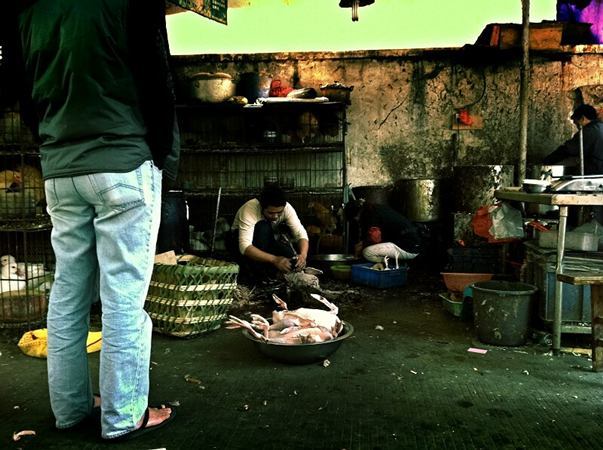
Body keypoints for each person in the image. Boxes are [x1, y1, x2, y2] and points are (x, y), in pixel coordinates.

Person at [1, 0, 179, 441]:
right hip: (123, 162)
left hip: (60, 169)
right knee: (123, 298)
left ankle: (71, 409)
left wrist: (53, 144)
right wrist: (163, 156)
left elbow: (21, 90)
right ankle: (124, 416)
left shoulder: (27, 11)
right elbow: (158, 81)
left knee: (68, 294)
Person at [229, 185, 309, 284]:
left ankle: (281, 279)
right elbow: (244, 247)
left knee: (290, 257)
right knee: (263, 227)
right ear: (262, 207)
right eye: (271, 213)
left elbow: (301, 234)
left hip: (267, 240)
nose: (275, 216)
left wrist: (303, 255)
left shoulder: (287, 208)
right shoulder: (250, 208)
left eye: (279, 212)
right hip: (237, 243)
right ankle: (259, 277)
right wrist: (275, 260)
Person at [543, 103, 603, 222]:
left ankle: (575, 221)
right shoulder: (600, 128)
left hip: (593, 175)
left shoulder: (589, 132)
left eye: (576, 122)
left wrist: (546, 161)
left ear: (583, 118)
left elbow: (567, 149)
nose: (576, 126)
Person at [345, 199, 421, 263]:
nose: (356, 220)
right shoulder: (376, 209)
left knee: (367, 252)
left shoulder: (371, 216)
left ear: (356, 215)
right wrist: (362, 243)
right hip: (411, 243)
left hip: (409, 247)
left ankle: (391, 265)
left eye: (355, 219)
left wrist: (362, 245)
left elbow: (376, 239)